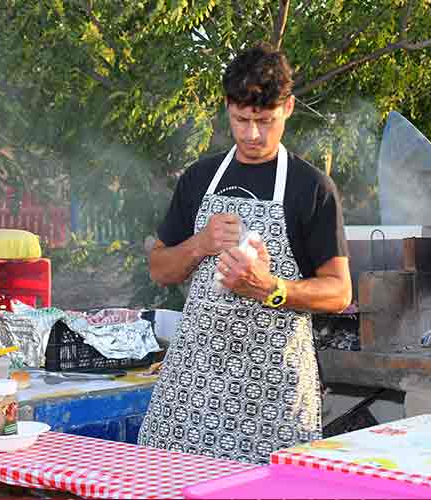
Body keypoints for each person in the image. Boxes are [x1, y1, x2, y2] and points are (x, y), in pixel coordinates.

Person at [137, 43, 352, 464]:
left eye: (265, 121)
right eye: (242, 120)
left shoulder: (311, 189)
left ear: (288, 108)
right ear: (227, 109)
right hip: (193, 386)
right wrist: (201, 243)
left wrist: (271, 288)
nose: (253, 135)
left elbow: (339, 292)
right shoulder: (199, 178)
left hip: (272, 392)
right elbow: (160, 270)